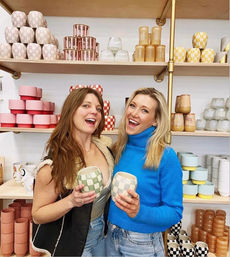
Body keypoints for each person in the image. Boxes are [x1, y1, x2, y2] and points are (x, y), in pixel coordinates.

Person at [31, 87, 114, 257]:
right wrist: (71, 201)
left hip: (103, 235)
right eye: (86, 105)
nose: (94, 111)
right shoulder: (54, 163)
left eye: (98, 109)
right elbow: (37, 215)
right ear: (70, 112)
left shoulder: (105, 149)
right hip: (73, 241)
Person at [106, 87, 183, 257]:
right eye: (132, 106)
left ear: (155, 120)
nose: (134, 113)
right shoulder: (118, 148)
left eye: (144, 110)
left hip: (142, 243)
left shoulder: (166, 156)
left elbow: (175, 212)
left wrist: (139, 212)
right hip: (110, 235)